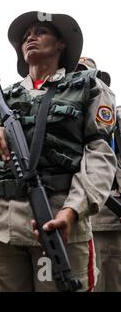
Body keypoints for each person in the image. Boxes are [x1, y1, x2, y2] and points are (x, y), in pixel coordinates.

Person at [0, 11, 116, 291]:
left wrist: (73, 211)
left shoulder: (89, 87)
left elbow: (100, 154)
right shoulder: (3, 96)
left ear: (62, 43)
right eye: (27, 34)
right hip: (3, 228)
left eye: (41, 31)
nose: (30, 36)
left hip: (58, 220)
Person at [76, 57, 121, 291]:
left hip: (107, 215)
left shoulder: (115, 120)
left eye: (88, 75)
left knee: (108, 279)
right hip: (70, 213)